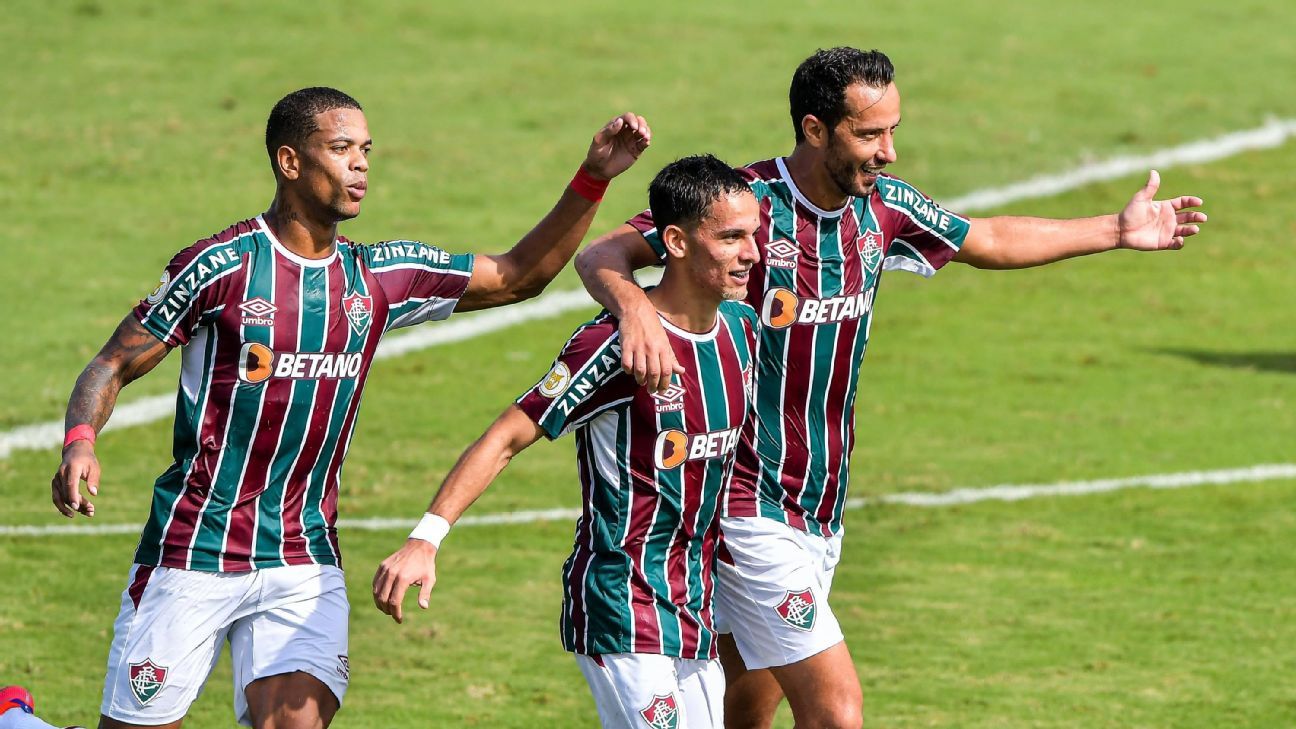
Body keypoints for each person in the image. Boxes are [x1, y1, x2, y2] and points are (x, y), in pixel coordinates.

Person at [573, 48, 1208, 729]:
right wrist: (635, 308)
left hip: (820, 505)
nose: (890, 152)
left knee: (746, 711)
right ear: (816, 130)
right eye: (871, 135)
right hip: (745, 503)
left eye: (893, 131)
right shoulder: (742, 210)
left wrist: (1114, 229)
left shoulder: (883, 211)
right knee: (837, 710)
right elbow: (603, 252)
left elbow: (986, 237)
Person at [49, 86, 650, 729]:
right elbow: (112, 362)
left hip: (303, 556)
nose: (361, 164)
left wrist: (592, 178)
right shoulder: (218, 269)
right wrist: (81, 437)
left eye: (366, 149)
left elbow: (519, 275)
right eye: (341, 149)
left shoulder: (380, 276)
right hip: (194, 550)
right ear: (289, 162)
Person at [373, 155, 762, 728]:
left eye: (752, 234)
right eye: (731, 238)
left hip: (694, 611)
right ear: (676, 242)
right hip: (621, 605)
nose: (752, 253)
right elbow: (508, 434)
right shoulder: (611, 348)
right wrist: (425, 539)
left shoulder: (740, 332)